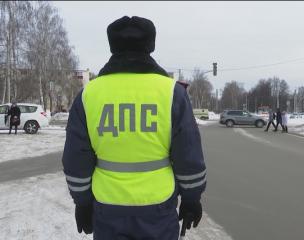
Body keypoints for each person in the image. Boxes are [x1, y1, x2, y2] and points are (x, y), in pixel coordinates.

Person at [62, 16, 206, 240]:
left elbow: (75, 158)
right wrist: (191, 199)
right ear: (151, 45)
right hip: (158, 207)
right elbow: (189, 154)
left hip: (107, 208)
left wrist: (82, 203)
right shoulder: (171, 93)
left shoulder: (89, 94)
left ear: (112, 45)